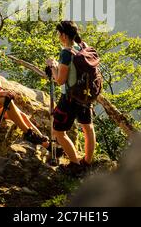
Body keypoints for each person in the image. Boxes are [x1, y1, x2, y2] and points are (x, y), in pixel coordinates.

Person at [46, 21, 96, 175]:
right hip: (86, 96)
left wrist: (52, 66)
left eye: (59, 33)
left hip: (70, 98)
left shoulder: (66, 53)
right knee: (87, 127)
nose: (58, 36)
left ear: (64, 35)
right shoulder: (83, 47)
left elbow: (60, 80)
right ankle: (87, 162)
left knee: (58, 132)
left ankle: (75, 164)